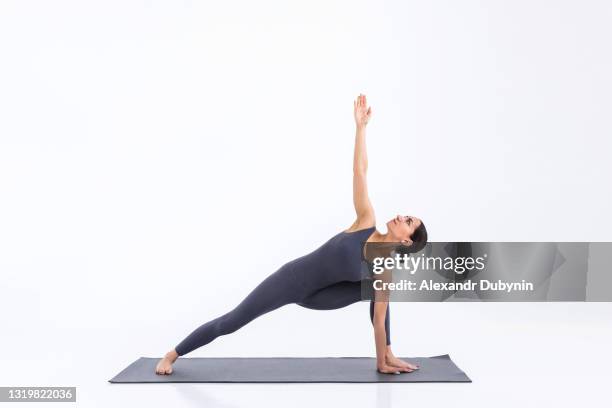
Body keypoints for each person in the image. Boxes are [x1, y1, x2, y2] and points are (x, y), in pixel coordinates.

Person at [155, 94, 428, 375]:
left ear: (407, 240)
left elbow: (380, 321)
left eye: (408, 221)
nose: (400, 215)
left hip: (322, 298)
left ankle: (387, 355)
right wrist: (361, 128)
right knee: (232, 321)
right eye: (405, 215)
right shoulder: (365, 221)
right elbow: (360, 170)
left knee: (378, 290)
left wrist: (381, 361)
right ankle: (172, 354)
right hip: (293, 281)